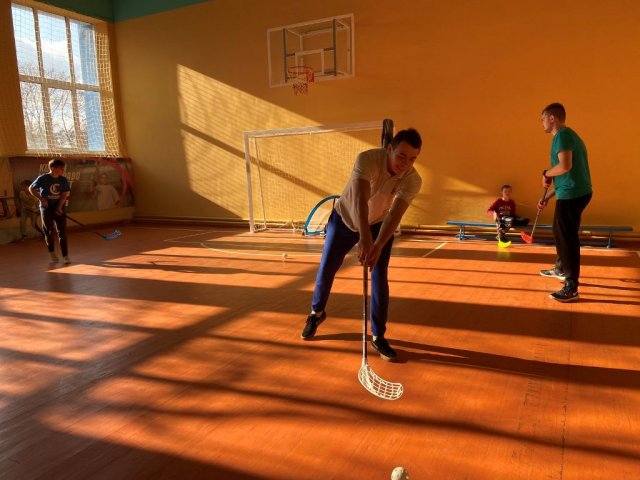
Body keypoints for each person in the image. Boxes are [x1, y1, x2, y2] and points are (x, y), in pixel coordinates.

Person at [301, 128, 423, 361]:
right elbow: (360, 200)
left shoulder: (412, 179)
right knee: (327, 268)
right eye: (401, 156)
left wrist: (377, 245)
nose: (406, 163)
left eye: (412, 159)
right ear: (389, 149)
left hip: (378, 223)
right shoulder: (367, 160)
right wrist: (364, 239)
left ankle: (378, 336)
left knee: (379, 276)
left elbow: (395, 215)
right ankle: (316, 313)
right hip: (344, 219)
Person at [537, 103, 592, 302]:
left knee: (567, 238)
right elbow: (566, 174)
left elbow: (565, 166)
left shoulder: (562, 135)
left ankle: (571, 287)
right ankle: (561, 268)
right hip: (572, 192)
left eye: (543, 119)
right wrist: (547, 196)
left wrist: (546, 173)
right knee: (558, 231)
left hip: (573, 194)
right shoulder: (568, 136)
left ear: (552, 118)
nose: (542, 123)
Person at [29, 159, 72, 264]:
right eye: (61, 168)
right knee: (48, 231)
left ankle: (65, 255)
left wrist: (59, 207)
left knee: (62, 231)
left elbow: (64, 194)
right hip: (46, 209)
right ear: (53, 168)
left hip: (59, 208)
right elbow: (31, 188)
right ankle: (52, 252)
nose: (63, 170)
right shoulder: (43, 178)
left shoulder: (63, 180)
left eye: (63, 168)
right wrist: (41, 199)